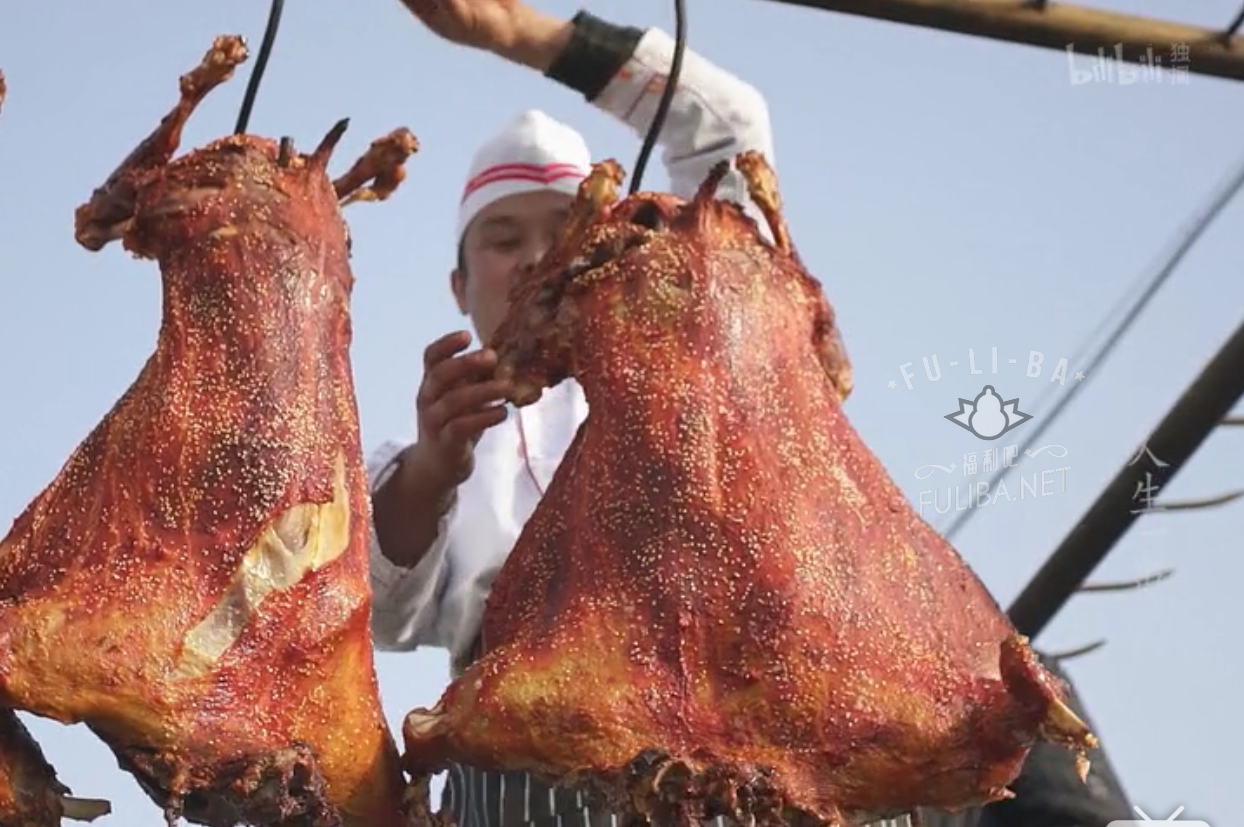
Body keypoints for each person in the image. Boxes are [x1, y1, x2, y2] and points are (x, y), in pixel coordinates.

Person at [368, 2, 1135, 825]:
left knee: (1004, 686)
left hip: (782, 700)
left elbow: (726, 127)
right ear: (458, 285)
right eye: (501, 237)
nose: (530, 258)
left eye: (560, 229)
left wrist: (522, 36)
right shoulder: (445, 439)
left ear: (598, 244)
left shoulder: (710, 335)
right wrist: (428, 469)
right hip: (552, 769)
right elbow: (383, 607)